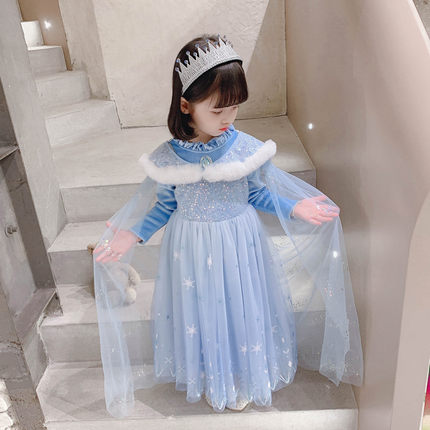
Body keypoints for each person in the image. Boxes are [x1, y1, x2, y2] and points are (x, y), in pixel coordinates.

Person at [93, 33, 363, 419]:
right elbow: (164, 207)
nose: (227, 119)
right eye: (218, 109)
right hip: (190, 248)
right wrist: (132, 233)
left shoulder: (244, 149)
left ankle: (243, 372)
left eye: (234, 108)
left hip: (239, 243)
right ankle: (212, 374)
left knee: (241, 308)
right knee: (202, 311)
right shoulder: (168, 159)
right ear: (185, 105)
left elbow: (258, 195)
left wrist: (293, 207)